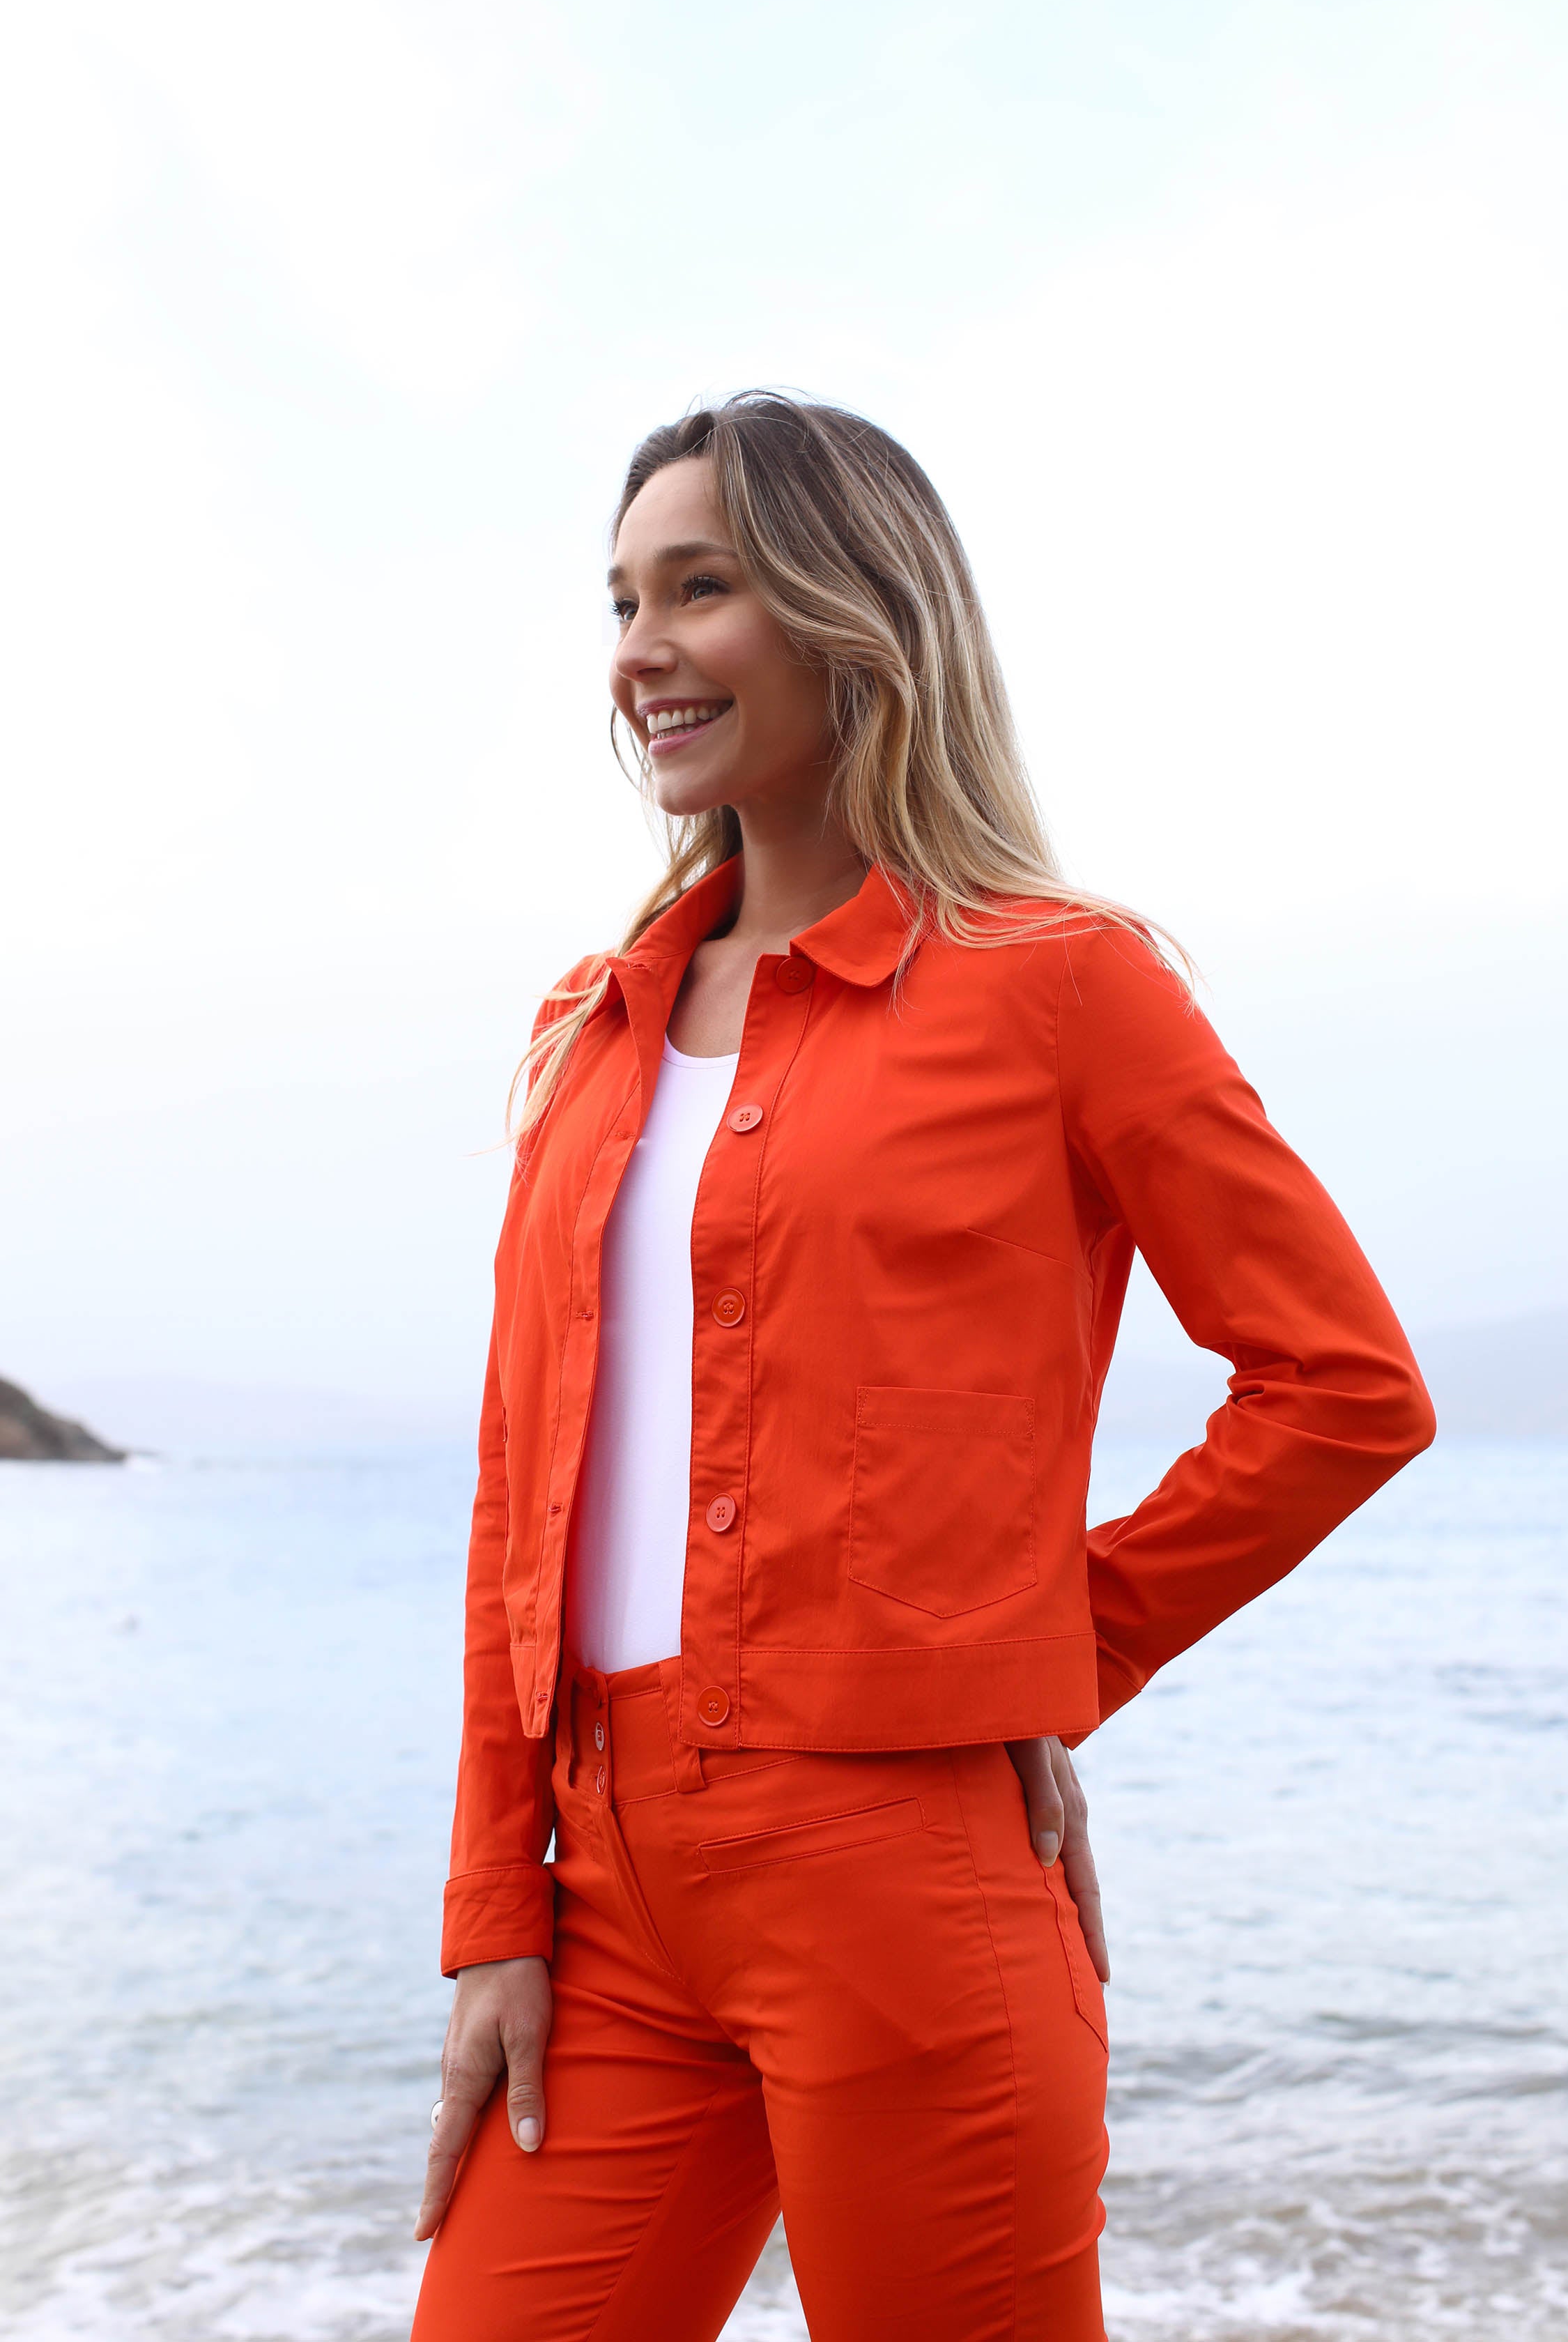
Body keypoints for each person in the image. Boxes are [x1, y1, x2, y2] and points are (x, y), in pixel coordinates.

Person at [409, 392, 1434, 2342]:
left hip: (905, 1885)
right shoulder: (585, 1031)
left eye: (697, 589)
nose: (639, 651)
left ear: (852, 610)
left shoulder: (1062, 982)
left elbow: (1341, 1386)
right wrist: (490, 1910)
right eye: (621, 601)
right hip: (601, 1907)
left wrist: (1045, 1653)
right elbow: (517, 1493)